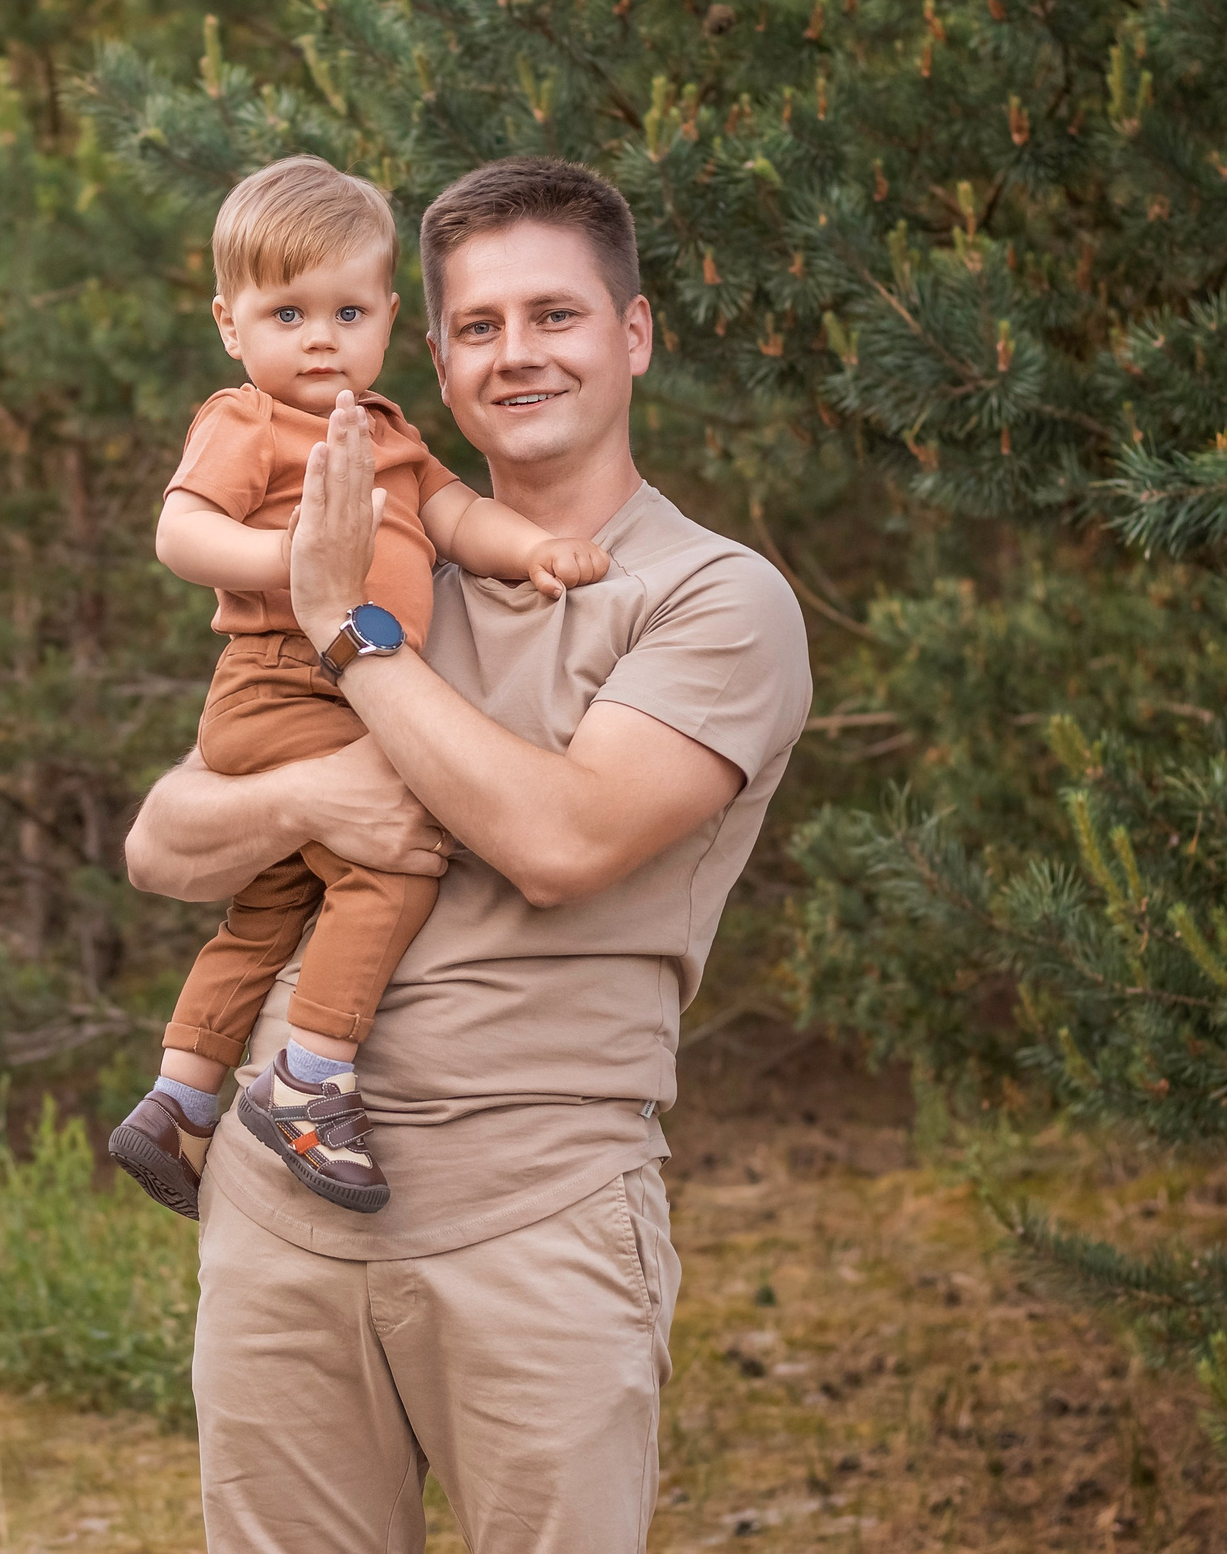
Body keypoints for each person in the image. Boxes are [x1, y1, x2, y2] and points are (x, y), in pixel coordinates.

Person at [123, 156, 814, 1553]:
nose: (519, 354)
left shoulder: (710, 597)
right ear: (430, 357)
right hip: (282, 1205)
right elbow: (164, 840)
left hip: (534, 1212)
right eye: (481, 326)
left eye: (555, 314)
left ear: (633, 333)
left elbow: (560, 837)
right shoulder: (373, 546)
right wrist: (318, 796)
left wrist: (347, 639)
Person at [107, 155, 608, 1220]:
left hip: (332, 693)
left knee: (273, 902)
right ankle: (310, 1078)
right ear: (230, 326)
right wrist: (300, 566)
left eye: (345, 310)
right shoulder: (249, 420)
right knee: (391, 865)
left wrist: (533, 552)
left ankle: (177, 1096)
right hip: (282, 683)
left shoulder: (388, 434)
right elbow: (181, 531)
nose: (320, 337)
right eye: (286, 313)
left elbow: (456, 517)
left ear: (387, 318)